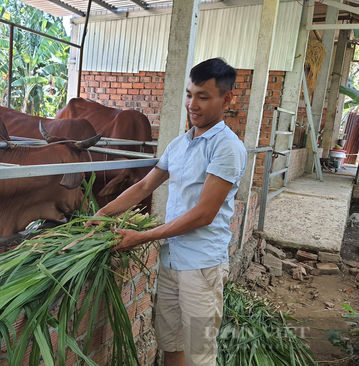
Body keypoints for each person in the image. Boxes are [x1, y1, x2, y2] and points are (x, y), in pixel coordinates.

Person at [88, 58, 247, 366]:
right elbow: (144, 187)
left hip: (201, 268)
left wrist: (142, 237)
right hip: (171, 261)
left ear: (227, 99)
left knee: (200, 354)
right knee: (171, 345)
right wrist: (101, 214)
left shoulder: (227, 147)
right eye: (189, 94)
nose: (193, 104)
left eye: (203, 96)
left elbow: (204, 214)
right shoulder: (180, 144)